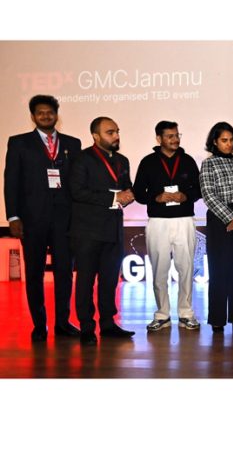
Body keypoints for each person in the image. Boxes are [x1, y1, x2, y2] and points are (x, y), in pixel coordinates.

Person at [3, 95, 82, 341]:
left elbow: (77, 183)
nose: (46, 116)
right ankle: (39, 324)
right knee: (35, 273)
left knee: (64, 272)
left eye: (50, 112)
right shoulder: (19, 143)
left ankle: (62, 322)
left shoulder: (73, 143)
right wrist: (13, 217)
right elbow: (11, 182)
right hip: (32, 219)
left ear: (57, 114)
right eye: (40, 113)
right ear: (33, 116)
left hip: (64, 219)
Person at [70, 117, 135, 345]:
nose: (116, 136)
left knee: (109, 280)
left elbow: (126, 187)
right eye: (110, 132)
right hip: (87, 230)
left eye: (117, 131)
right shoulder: (81, 159)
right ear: (96, 136)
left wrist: (128, 194)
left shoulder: (122, 160)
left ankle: (108, 324)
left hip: (113, 228)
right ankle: (87, 327)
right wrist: (114, 196)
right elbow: (77, 191)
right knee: (86, 280)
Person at [133, 121, 202, 332]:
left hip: (184, 220)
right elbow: (138, 193)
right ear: (159, 139)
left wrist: (185, 196)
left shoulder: (188, 161)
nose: (175, 139)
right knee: (159, 270)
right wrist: (156, 197)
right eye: (170, 136)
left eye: (177, 135)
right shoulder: (148, 162)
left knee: (186, 268)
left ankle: (186, 313)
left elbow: (199, 190)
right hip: (158, 222)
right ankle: (162, 314)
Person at [200, 122, 233, 333]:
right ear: (214, 142)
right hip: (218, 219)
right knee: (219, 270)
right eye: (224, 140)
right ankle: (217, 319)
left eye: (231, 140)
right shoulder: (209, 164)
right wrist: (231, 218)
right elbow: (208, 194)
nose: (229, 144)